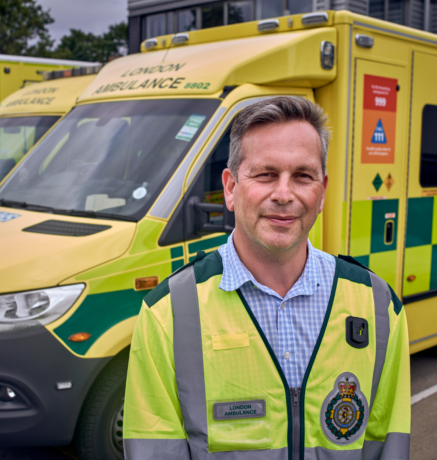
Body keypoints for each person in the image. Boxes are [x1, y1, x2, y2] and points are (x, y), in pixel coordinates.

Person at [122, 97, 410, 460]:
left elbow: (389, 445)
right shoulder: (168, 313)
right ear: (230, 188)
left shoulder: (378, 306)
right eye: (266, 174)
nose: (284, 195)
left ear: (321, 191)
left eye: (302, 176)